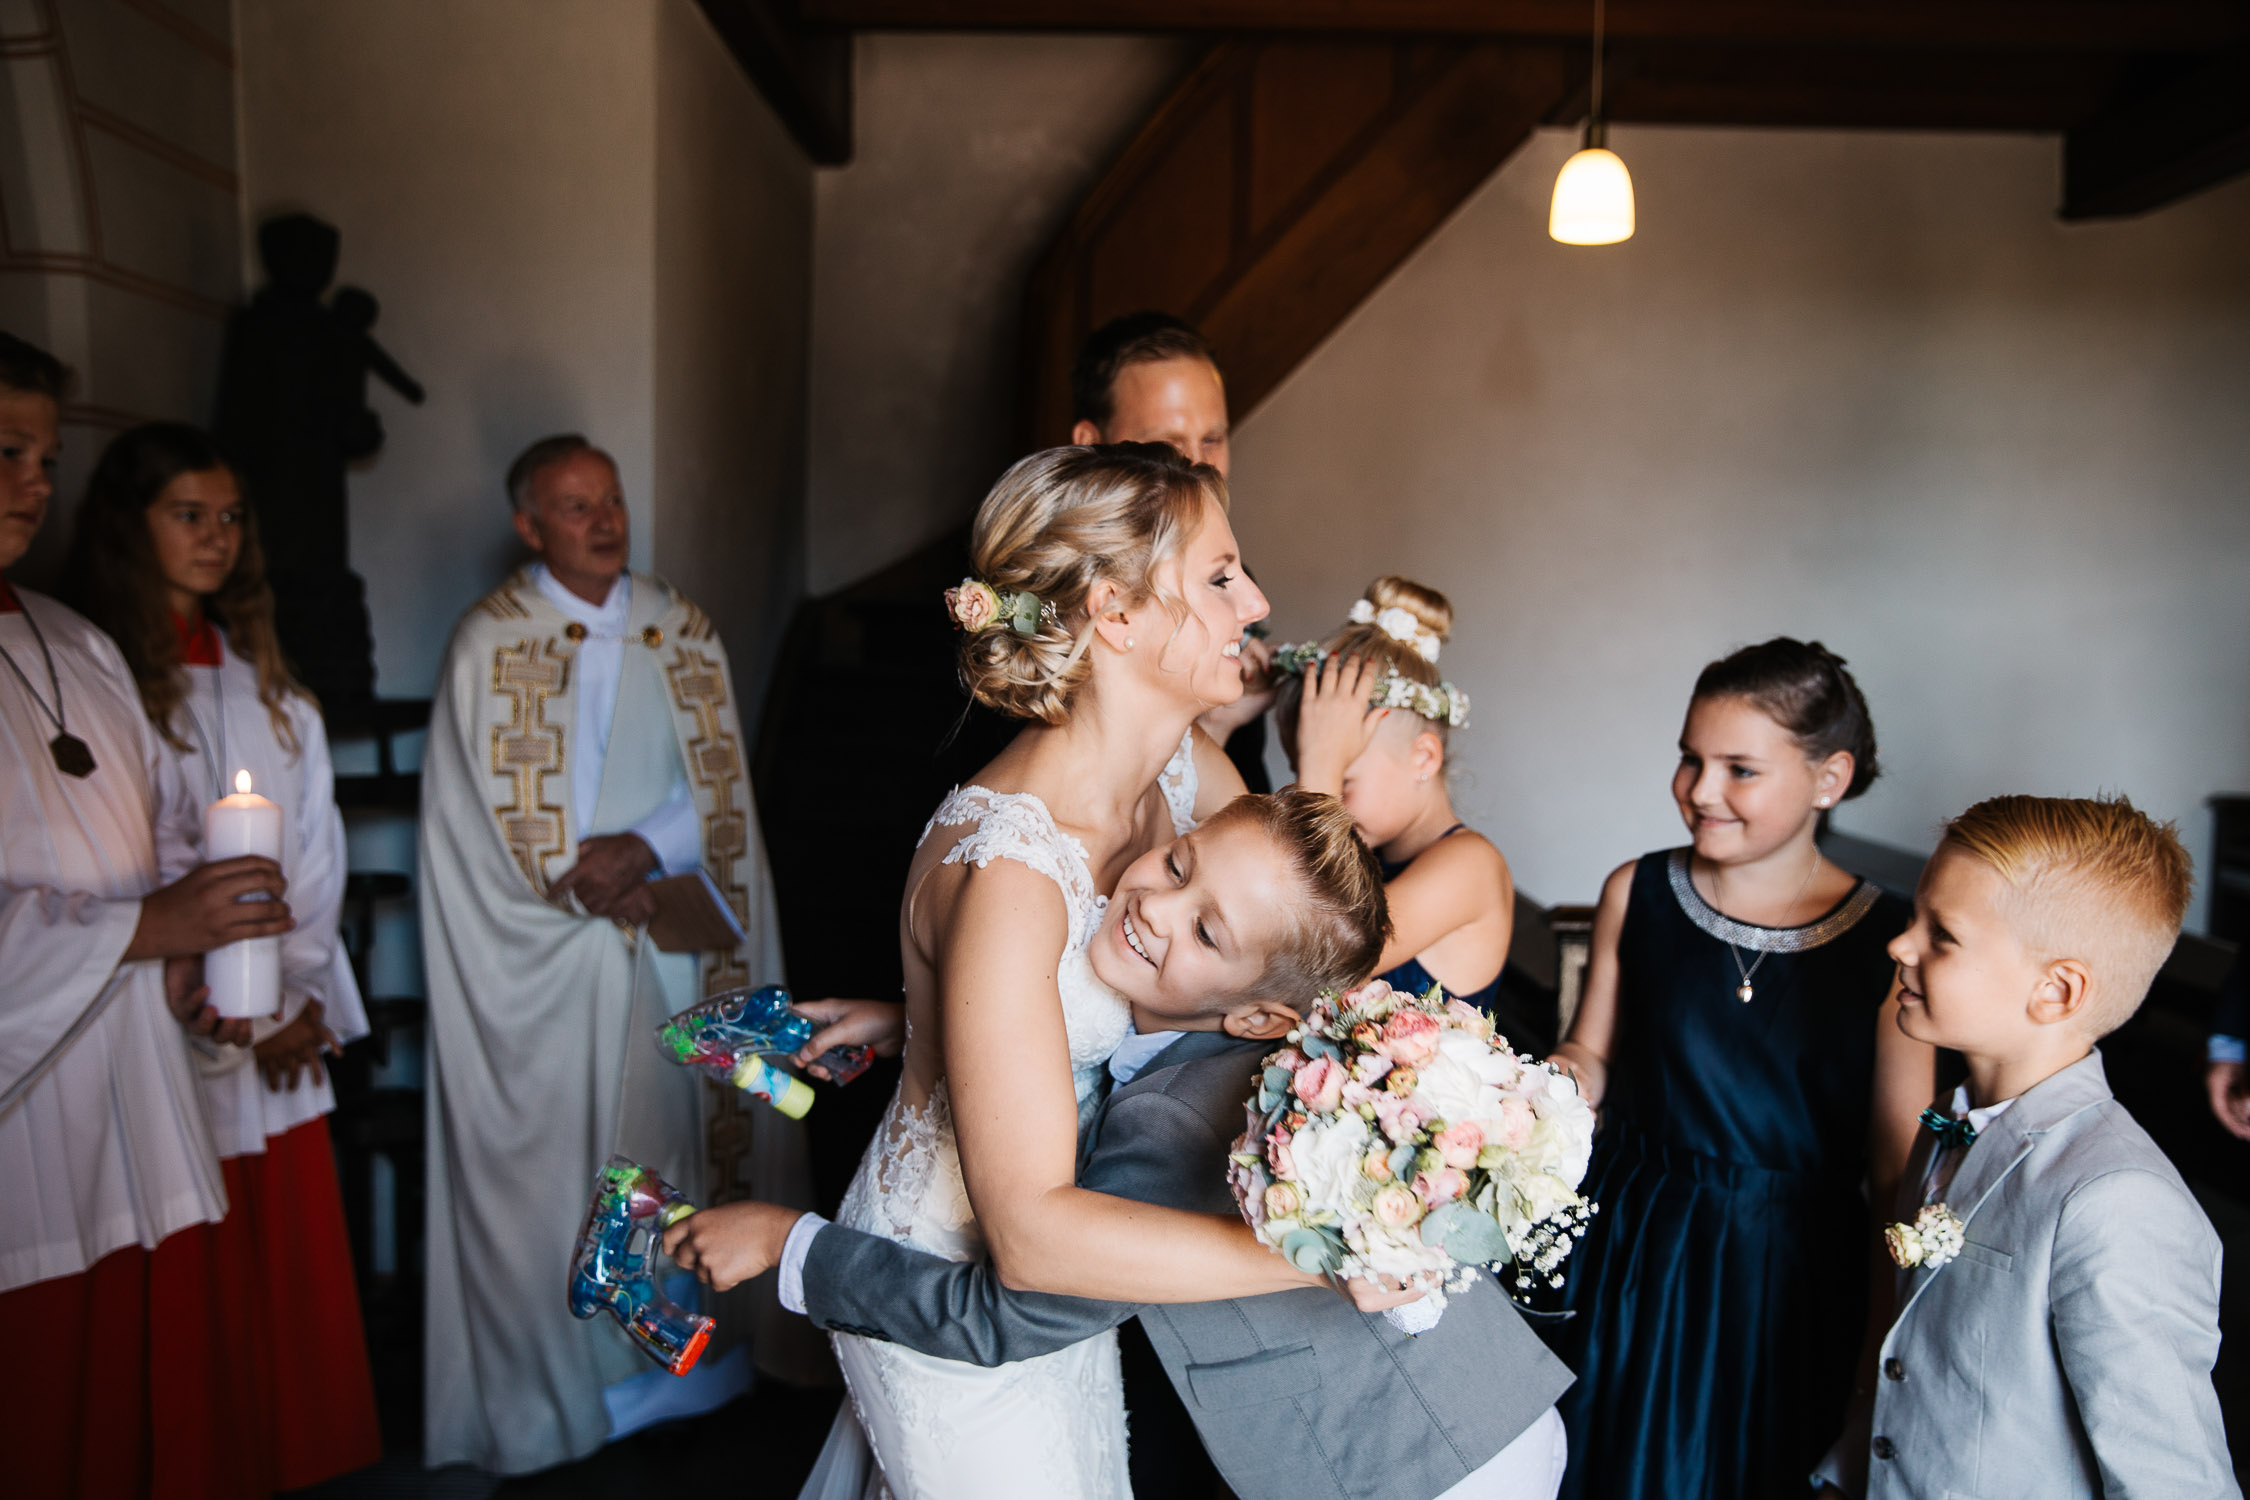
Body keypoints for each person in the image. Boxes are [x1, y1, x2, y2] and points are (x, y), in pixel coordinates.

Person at [748, 442, 1362, 1499]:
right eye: (1219, 577)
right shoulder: (1012, 871)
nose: (1256, 599)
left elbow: (1292, 946)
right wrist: (1316, 1259)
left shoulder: (1185, 771)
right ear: (1116, 616)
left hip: (1074, 1257)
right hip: (952, 1282)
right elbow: (1027, 1237)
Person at [670, 790, 1577, 1500]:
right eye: (1180, 864)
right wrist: (925, 1024)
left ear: (1262, 1016)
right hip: (1490, 1404)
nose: (1156, 906)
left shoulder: (1178, 1126)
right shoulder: (1220, 1040)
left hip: (1416, 1466)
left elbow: (1009, 1313)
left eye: (1206, 930)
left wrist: (790, 1245)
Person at [417, 433, 788, 1472]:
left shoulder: (681, 629)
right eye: (575, 506)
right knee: (552, 1166)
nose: (604, 520)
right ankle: (557, 1394)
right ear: (529, 528)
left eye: (611, 499)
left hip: (665, 936)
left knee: (670, 1141)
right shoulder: (488, 641)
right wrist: (572, 881)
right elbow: (459, 821)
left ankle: (689, 1372)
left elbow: (719, 791)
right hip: (542, 954)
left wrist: (643, 851)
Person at [0, 330, 295, 1496]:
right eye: (7, 450)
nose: (37, 479)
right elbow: (139, 904)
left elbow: (145, 863)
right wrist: (145, 932)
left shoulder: (77, 643)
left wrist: (188, 979)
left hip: (138, 1109)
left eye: (44, 454)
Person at [64, 421, 382, 1490]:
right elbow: (125, 862)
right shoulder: (97, 684)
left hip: (277, 1020)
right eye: (187, 516)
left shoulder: (271, 690)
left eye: (230, 517)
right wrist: (232, 1003)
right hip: (170, 1025)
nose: (216, 539)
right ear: (128, 526)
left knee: (278, 1273)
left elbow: (314, 857)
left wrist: (293, 994)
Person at [1544, 638, 1931, 1500]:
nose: (1700, 791)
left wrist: (1881, 1343)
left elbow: (1894, 1167)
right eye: (1690, 759)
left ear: (1829, 779)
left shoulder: (1889, 943)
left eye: (1739, 769)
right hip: (1636, 1244)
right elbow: (1592, 1051)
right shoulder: (1636, 891)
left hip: (1788, 1274)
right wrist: (1534, 1086)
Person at [1812, 794, 2235, 1498]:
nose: (1899, 945)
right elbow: (1917, 1364)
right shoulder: (1948, 1126)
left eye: (1941, 934)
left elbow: (2175, 1481)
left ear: (2057, 990)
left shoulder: (2115, 1200)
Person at [1278, 576, 1516, 1020]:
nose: (1320, 796)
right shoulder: (1369, 853)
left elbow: (1318, 956)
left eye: (1339, 780)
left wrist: (1319, 771)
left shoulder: (1471, 865)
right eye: (1305, 772)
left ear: (1423, 756)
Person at [1068, 311, 1273, 792]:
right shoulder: (1047, 599)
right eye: (1168, 445)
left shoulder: (1237, 583)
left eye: (1213, 439)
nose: (1200, 468)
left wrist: (1229, 720)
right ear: (1089, 443)